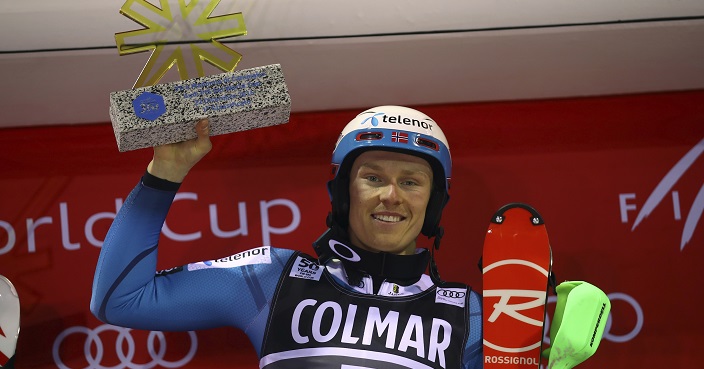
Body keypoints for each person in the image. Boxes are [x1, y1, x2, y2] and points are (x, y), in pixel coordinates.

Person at [91, 105, 483, 369]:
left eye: (410, 182)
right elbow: (120, 299)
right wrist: (164, 175)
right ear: (344, 194)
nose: (391, 196)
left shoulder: (467, 313)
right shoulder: (276, 278)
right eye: (373, 178)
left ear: (433, 204)